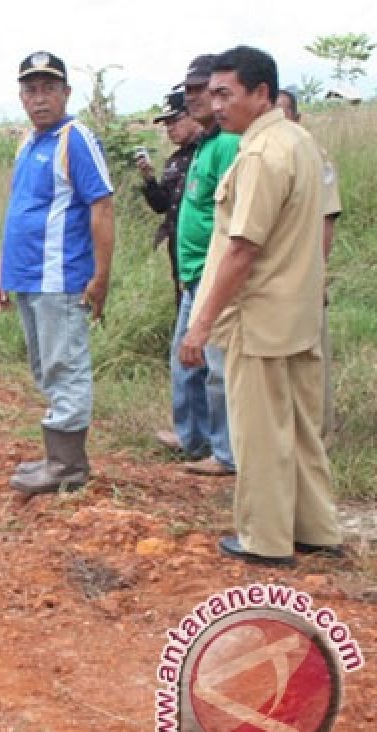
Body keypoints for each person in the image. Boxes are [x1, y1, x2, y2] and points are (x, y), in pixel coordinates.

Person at [179, 46, 341, 566]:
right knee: (300, 428)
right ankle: (317, 529)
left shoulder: (261, 153)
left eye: (226, 93)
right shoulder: (300, 142)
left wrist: (199, 326)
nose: (215, 104)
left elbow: (243, 248)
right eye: (212, 94)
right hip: (299, 315)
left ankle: (265, 540)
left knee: (260, 431)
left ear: (261, 94)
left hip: (261, 318)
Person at [0, 51, 115, 495]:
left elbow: (102, 205)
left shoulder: (76, 139)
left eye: (49, 88)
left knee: (65, 365)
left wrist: (101, 277)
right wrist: (2, 271)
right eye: (31, 90)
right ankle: (57, 457)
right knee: (45, 366)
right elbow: (18, 210)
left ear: (66, 92)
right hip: (26, 275)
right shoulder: (28, 142)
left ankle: (68, 466)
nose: (39, 98)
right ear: (21, 96)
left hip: (60, 277)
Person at [155, 55, 239, 476]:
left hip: (214, 272)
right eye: (186, 90)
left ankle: (225, 453)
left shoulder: (227, 144)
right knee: (185, 361)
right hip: (191, 274)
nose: (192, 97)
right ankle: (193, 438)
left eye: (199, 89)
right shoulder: (202, 145)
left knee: (216, 368)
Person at [277, 87, 343, 442]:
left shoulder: (314, 157)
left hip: (302, 278)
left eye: (283, 113)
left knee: (310, 361)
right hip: (275, 282)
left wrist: (311, 275)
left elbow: (325, 221)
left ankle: (320, 436)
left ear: (298, 119)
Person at [135, 89, 201, 307]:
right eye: (166, 124)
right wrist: (150, 180)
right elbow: (162, 206)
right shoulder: (175, 160)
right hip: (178, 249)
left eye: (174, 121)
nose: (170, 129)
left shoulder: (208, 151)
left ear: (193, 114)